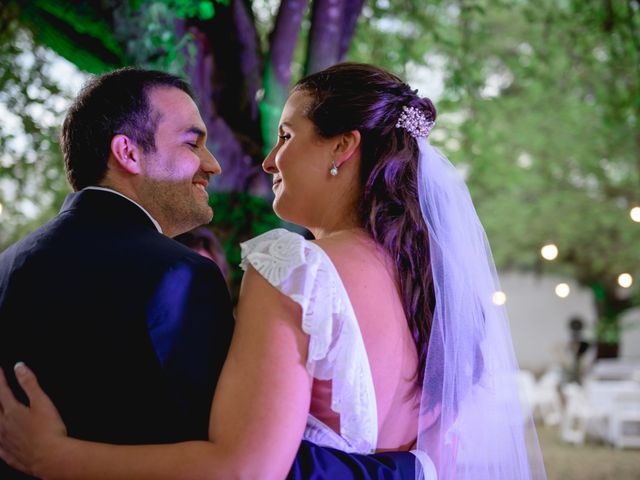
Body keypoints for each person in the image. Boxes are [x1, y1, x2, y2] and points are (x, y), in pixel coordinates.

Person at [0, 63, 547, 479]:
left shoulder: (291, 266)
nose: (266, 161)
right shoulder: (434, 287)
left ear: (343, 146)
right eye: (194, 143)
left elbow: (245, 467)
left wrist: (53, 455)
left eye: (286, 136)